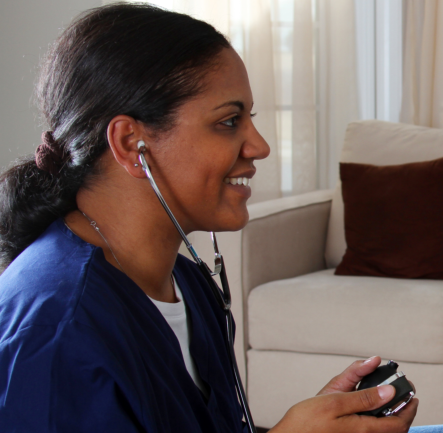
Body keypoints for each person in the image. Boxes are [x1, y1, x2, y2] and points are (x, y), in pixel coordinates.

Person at [0, 4, 416, 432]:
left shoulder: (189, 285)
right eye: (229, 122)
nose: (259, 147)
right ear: (131, 144)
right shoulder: (58, 331)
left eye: (248, 119)